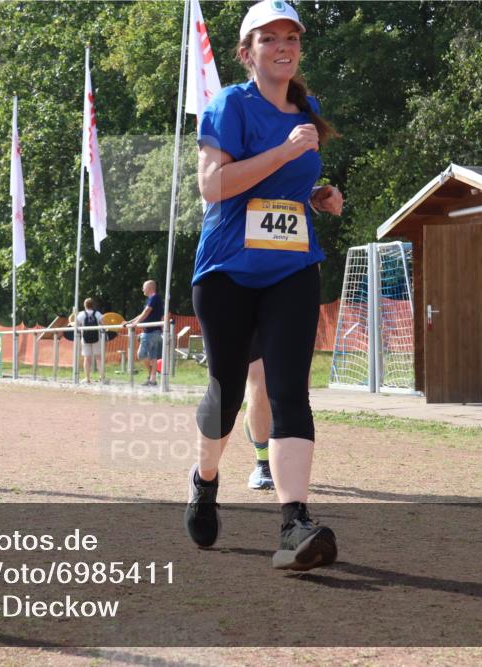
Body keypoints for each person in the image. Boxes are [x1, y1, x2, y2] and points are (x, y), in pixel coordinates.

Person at [185, 0, 344, 571]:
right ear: (248, 50)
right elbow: (213, 186)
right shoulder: (230, 104)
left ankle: (294, 521)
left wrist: (317, 197)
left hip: (293, 268)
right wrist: (286, 150)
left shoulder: (307, 108)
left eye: (291, 38)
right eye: (270, 38)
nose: (283, 47)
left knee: (288, 391)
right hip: (228, 273)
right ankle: (205, 481)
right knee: (227, 392)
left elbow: (286, 187)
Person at [127, 280, 164, 386]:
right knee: (152, 357)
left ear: (149, 288)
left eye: (144, 287)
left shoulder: (154, 297)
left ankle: (151, 374)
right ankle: (152, 379)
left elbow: (147, 311)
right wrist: (130, 322)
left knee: (141, 354)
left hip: (152, 332)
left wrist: (136, 323)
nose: (142, 289)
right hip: (151, 331)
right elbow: (143, 313)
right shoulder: (151, 299)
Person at [75, 298, 105, 383]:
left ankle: (87, 378)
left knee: (87, 358)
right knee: (99, 358)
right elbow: (103, 324)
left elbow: (76, 325)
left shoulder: (81, 314)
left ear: (85, 305)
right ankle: (102, 378)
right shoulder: (98, 314)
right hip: (97, 338)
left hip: (85, 339)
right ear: (93, 305)